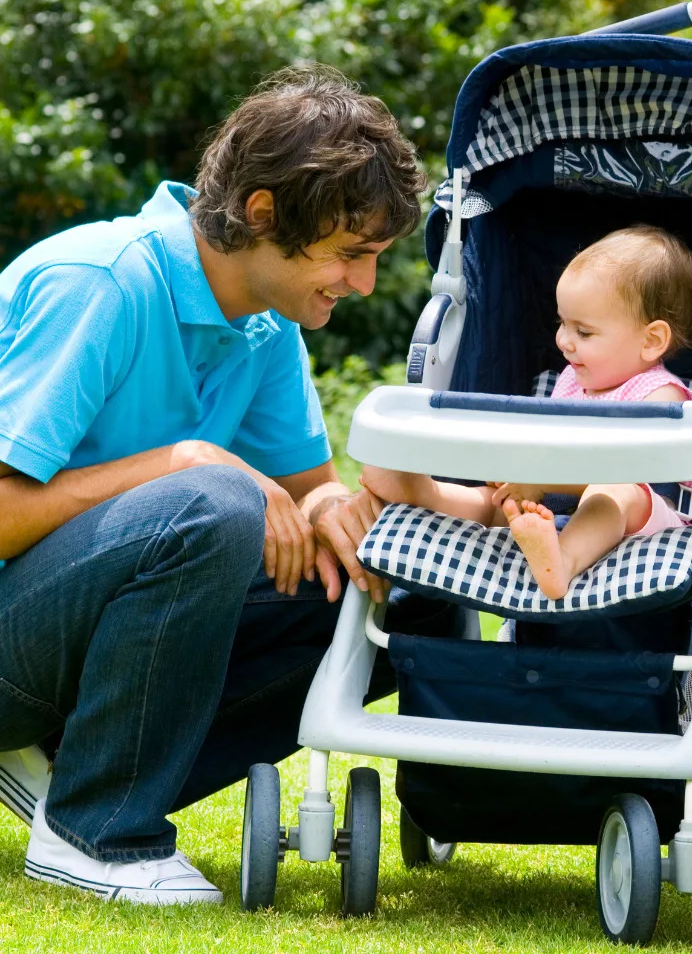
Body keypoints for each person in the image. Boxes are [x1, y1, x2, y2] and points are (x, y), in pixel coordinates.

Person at [0, 65, 460, 905]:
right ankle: (95, 833)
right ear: (263, 213)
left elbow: (308, 487)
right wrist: (184, 463)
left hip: (65, 638)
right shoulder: (102, 282)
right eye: (349, 254)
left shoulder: (265, 323)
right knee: (210, 502)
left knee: (409, 592)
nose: (362, 284)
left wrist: (334, 510)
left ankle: (73, 768)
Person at [362, 225, 692, 600]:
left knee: (613, 492)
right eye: (562, 323)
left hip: (656, 519)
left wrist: (541, 477)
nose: (563, 341)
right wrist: (511, 473)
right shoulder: (572, 382)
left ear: (651, 340)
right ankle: (425, 492)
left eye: (584, 332)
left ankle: (562, 560)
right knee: (498, 505)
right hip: (561, 507)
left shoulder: (660, 397)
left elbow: (630, 468)